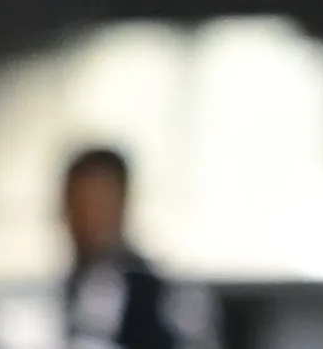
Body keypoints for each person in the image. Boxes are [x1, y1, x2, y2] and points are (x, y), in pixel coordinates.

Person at [60, 147, 216, 349]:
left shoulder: (163, 295)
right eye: (77, 204)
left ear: (121, 202)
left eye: (97, 203)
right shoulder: (56, 295)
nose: (86, 219)